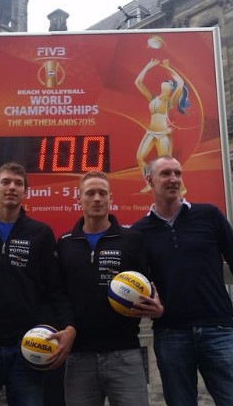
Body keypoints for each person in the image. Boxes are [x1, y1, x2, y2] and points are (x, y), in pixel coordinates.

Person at [132, 156, 233, 406]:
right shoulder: (138, 232)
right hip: (170, 335)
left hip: (219, 331)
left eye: (177, 173)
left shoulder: (209, 215)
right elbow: (138, 286)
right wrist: (148, 309)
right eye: (166, 174)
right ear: (150, 181)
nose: (174, 179)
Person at [0, 162, 76, 406]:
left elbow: (55, 290)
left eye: (18, 183)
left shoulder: (40, 233)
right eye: (6, 182)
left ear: (25, 192)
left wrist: (70, 327)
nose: (12, 187)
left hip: (28, 348)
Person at [56, 171, 163, 405]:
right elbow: (60, 295)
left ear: (110, 198)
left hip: (124, 355)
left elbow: (150, 286)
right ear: (79, 198)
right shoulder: (65, 243)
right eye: (90, 193)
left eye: (102, 193)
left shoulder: (132, 239)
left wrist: (156, 308)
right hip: (79, 358)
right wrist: (69, 326)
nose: (97, 198)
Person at [134, 59, 190, 193]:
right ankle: (149, 183)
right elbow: (138, 83)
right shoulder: (152, 98)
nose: (167, 83)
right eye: (166, 82)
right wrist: (147, 66)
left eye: (170, 83)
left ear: (171, 88)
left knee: (167, 165)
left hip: (164, 134)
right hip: (150, 132)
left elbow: (181, 83)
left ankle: (181, 189)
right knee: (140, 157)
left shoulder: (170, 101)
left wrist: (168, 68)